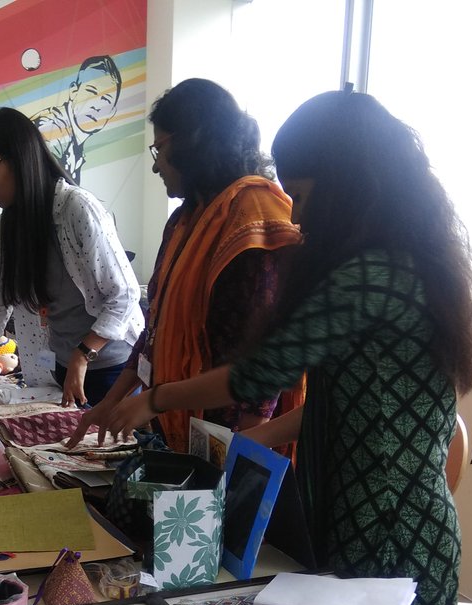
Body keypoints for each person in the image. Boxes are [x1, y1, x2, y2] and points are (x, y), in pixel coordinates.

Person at [103, 90, 472, 605]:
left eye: (301, 197)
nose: (296, 215)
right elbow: (346, 402)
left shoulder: (367, 277)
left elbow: (258, 374)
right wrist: (251, 442)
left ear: (347, 186)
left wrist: (158, 399)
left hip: (390, 535)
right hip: (372, 523)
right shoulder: (405, 263)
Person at [69, 78, 303, 453]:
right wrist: (112, 401)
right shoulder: (184, 221)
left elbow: (262, 360)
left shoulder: (251, 220)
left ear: (193, 143)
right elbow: (155, 329)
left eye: (159, 148)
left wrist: (241, 458)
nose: (156, 165)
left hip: (232, 441)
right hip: (179, 427)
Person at [0, 106, 143, 408]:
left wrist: (83, 353)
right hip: (63, 366)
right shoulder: (6, 229)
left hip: (110, 367)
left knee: (108, 449)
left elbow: (124, 296)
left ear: (20, 158)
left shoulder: (76, 208)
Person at [0, 56, 123, 283]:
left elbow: (122, 300)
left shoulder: (79, 207)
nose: (97, 104)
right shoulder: (54, 129)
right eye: (91, 92)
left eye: (106, 99)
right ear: (74, 91)